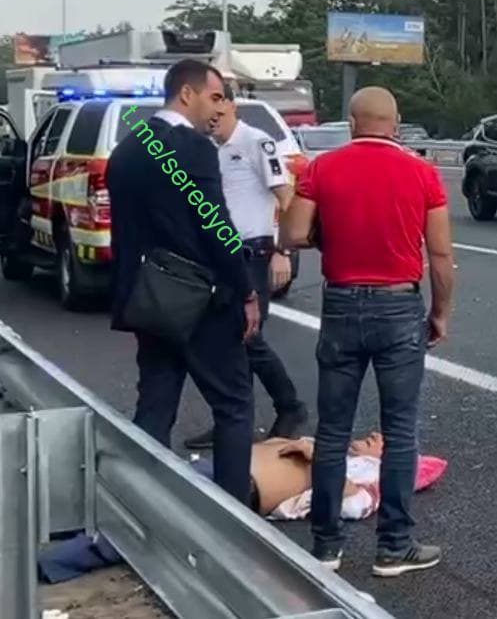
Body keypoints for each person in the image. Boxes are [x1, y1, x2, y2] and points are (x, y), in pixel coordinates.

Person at [281, 86, 455, 576]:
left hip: (341, 304)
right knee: (400, 430)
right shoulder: (422, 173)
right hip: (399, 305)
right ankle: (393, 547)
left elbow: (293, 233)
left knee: (333, 429)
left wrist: (327, 232)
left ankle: (326, 546)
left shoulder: (323, 168)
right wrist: (440, 312)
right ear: (395, 124)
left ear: (352, 122)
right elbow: (440, 254)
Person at [106, 59, 260, 505]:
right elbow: (216, 226)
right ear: (187, 93)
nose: (220, 109)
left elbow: (124, 233)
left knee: (156, 404)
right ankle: (232, 519)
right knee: (234, 404)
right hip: (200, 300)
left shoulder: (129, 148)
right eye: (215, 97)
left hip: (148, 299)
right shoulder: (193, 148)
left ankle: (140, 506)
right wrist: (246, 290)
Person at [184, 84, 308, 450]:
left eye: (219, 108)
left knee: (249, 338)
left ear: (231, 105)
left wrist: (283, 250)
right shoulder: (210, 149)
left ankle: (290, 407)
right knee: (225, 342)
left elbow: (287, 198)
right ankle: (232, 418)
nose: (213, 119)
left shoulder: (257, 142)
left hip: (253, 253)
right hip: (221, 256)